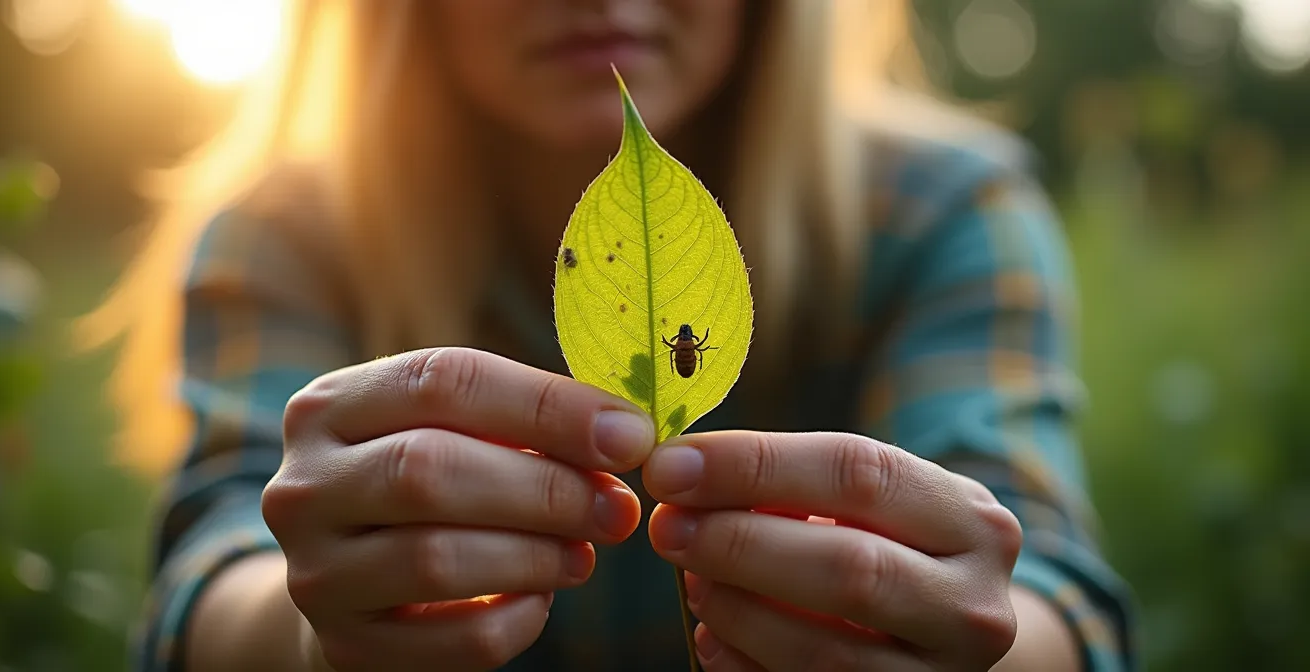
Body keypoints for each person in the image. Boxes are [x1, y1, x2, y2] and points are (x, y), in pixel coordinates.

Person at [88, 1, 1135, 670]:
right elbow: (207, 582)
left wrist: (961, 637)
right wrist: (318, 630)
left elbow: (1046, 591)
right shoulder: (287, 236)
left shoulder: (943, 211)